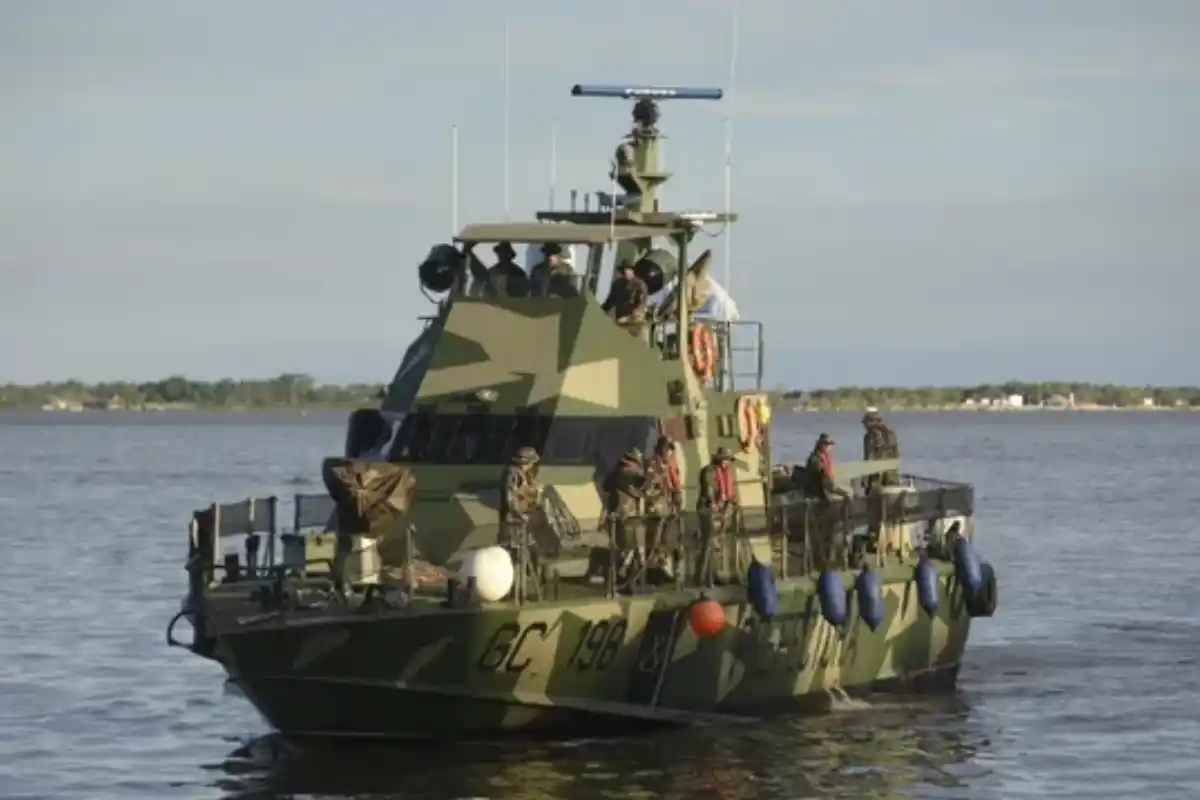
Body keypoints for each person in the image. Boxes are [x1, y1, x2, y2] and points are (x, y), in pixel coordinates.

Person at [600, 447, 646, 583]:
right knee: (628, 546)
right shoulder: (624, 473)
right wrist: (639, 493)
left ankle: (623, 574)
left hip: (621, 515)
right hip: (625, 515)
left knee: (625, 546)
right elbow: (633, 488)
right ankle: (621, 574)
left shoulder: (616, 473)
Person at [642, 436, 682, 576]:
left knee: (669, 537)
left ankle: (664, 566)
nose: (668, 452)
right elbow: (651, 486)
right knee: (654, 539)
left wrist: (677, 495)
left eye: (670, 449)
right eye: (666, 449)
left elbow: (675, 481)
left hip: (669, 506)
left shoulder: (671, 462)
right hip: (656, 507)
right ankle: (652, 571)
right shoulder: (653, 463)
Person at [499, 446, 541, 551]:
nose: (532, 465)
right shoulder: (512, 474)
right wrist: (518, 515)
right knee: (513, 546)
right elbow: (510, 498)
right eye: (531, 463)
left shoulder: (526, 474)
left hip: (524, 516)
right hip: (514, 519)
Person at [601, 262, 650, 339]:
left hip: (634, 325)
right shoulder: (618, 284)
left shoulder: (640, 285)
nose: (625, 272)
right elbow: (610, 301)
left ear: (632, 271)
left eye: (628, 269)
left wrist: (628, 318)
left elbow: (641, 306)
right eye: (623, 270)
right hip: (618, 322)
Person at [861, 407, 901, 493]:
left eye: (866, 423)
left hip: (882, 478)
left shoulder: (875, 437)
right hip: (883, 478)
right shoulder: (869, 437)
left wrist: (865, 480)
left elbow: (871, 458)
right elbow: (868, 458)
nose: (864, 425)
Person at [803, 433, 849, 504]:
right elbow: (820, 472)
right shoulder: (815, 457)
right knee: (841, 497)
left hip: (826, 484)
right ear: (820, 444)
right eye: (825, 444)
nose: (827, 446)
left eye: (828, 444)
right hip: (817, 487)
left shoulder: (825, 455)